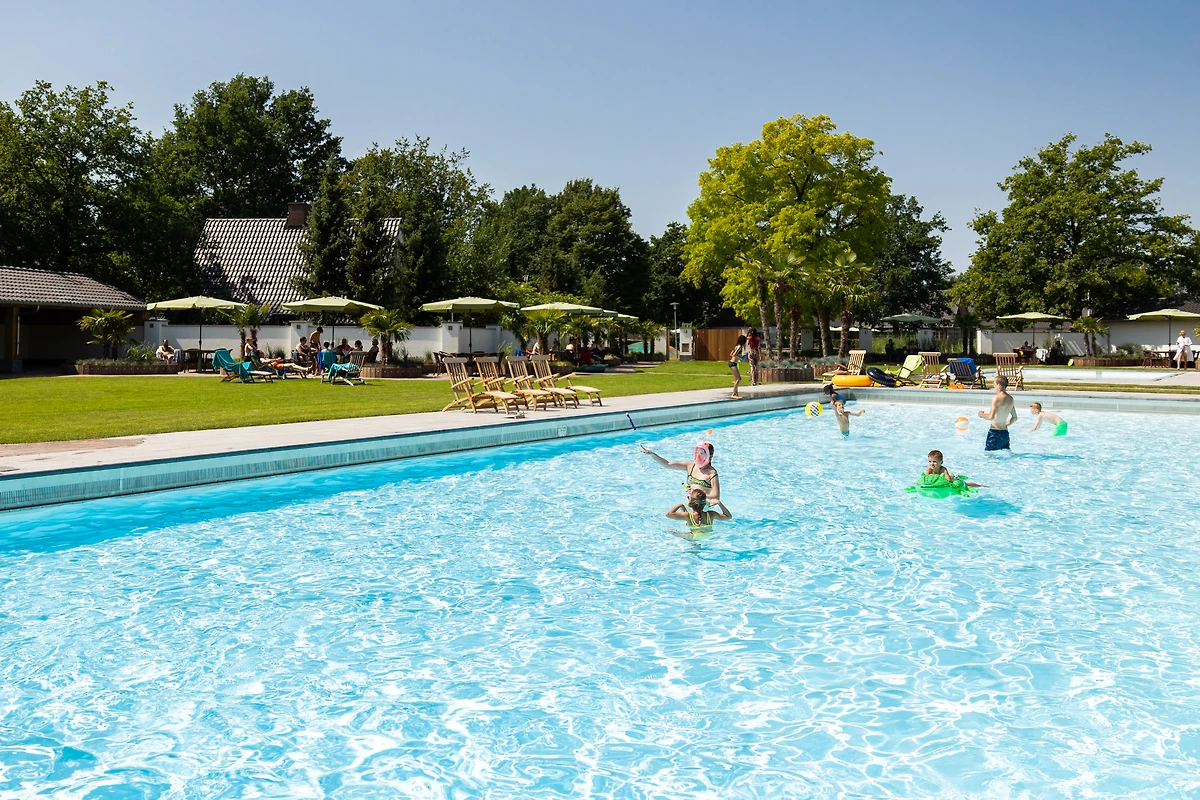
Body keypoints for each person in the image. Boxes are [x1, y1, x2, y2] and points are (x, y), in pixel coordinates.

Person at [640, 441, 721, 502]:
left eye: (702, 453)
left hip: (703, 507)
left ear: (709, 456)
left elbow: (716, 497)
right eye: (697, 452)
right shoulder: (690, 466)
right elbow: (667, 464)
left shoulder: (712, 474)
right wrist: (653, 454)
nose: (698, 456)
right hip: (689, 503)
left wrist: (697, 494)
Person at [978, 375, 1017, 451]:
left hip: (995, 433)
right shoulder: (1010, 399)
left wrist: (981, 414)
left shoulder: (997, 398)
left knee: (989, 456)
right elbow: (1015, 417)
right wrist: (1005, 424)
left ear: (999, 385)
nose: (994, 386)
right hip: (1005, 434)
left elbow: (991, 417)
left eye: (994, 384)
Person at [666, 488, 732, 531]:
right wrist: (719, 503)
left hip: (693, 537)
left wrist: (681, 505)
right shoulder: (711, 514)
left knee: (670, 531)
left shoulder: (687, 516)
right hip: (707, 535)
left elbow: (668, 514)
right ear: (705, 503)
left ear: (690, 503)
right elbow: (728, 516)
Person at [728, 335, 747, 399]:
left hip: (733, 363)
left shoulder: (736, 346)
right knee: (739, 379)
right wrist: (740, 358)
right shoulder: (739, 346)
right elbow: (734, 354)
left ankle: (736, 393)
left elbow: (731, 354)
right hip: (732, 363)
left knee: (736, 379)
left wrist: (739, 357)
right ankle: (733, 394)